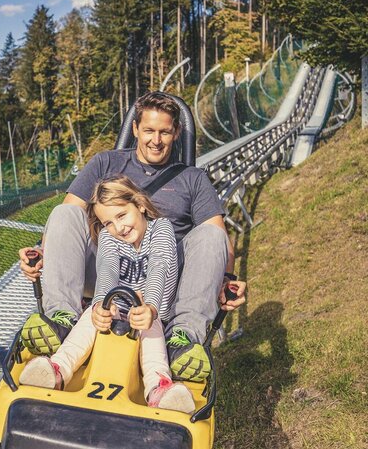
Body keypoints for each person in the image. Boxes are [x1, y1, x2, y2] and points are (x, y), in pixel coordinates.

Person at [20, 91, 246, 382]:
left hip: (165, 282)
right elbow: (67, 216)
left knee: (211, 234)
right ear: (135, 128)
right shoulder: (106, 163)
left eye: (165, 132)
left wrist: (226, 280)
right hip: (106, 268)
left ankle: (182, 339)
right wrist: (41, 252)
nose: (156, 140)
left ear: (176, 132)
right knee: (62, 215)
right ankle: (62, 318)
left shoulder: (193, 179)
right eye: (149, 130)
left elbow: (219, 237)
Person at [20, 176, 196, 413]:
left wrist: (151, 307)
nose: (118, 228)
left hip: (148, 315)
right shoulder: (109, 236)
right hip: (115, 309)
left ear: (140, 205)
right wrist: (101, 305)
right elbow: (108, 268)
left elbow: (159, 266)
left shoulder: (161, 228)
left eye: (122, 215)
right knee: (87, 322)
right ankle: (58, 369)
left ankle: (158, 387)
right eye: (108, 222)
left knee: (151, 336)